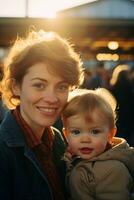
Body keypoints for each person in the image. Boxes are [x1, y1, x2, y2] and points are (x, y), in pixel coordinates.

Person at [0, 29, 84, 200]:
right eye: (39, 85)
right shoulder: (3, 152)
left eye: (61, 87)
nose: (52, 98)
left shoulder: (57, 138)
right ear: (16, 86)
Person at [62, 88, 134, 200]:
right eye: (76, 132)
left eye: (95, 132)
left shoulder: (113, 170)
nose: (85, 139)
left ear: (110, 134)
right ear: (66, 135)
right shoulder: (74, 159)